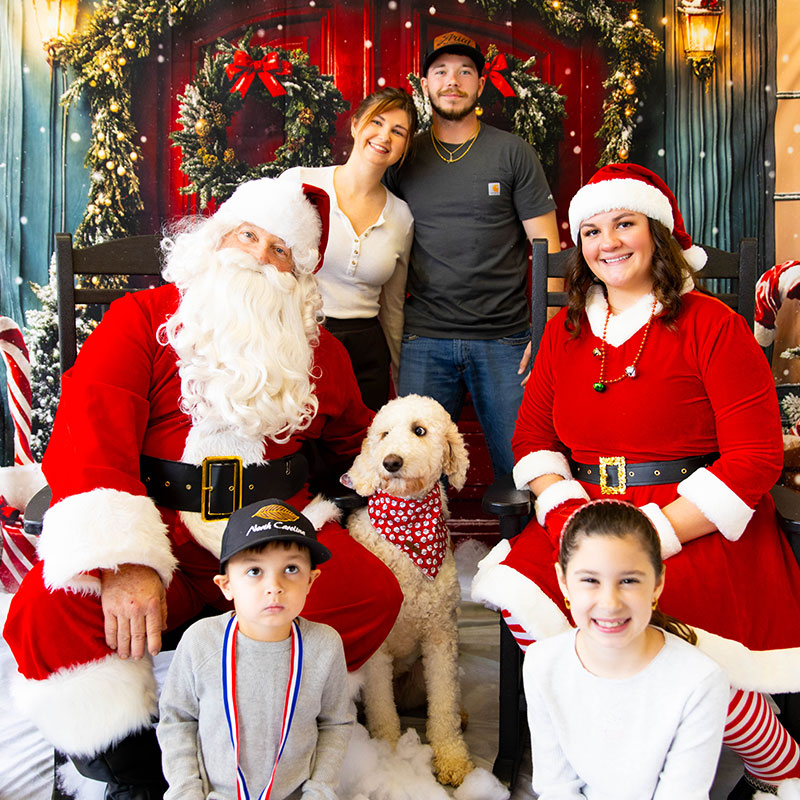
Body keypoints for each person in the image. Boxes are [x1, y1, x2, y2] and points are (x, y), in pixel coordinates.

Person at [3, 177, 402, 799]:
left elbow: (361, 442)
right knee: (47, 612)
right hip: (158, 537)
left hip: (271, 538)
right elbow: (92, 431)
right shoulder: (142, 318)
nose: (259, 257)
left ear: (298, 276)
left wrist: (393, 468)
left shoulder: (317, 351)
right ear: (216, 239)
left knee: (367, 594)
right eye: (248, 235)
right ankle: (136, 770)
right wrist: (125, 562)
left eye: (280, 250)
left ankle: (260, 734)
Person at [472, 162, 800, 797]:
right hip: (585, 512)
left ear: (657, 233)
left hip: (693, 519)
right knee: (527, 596)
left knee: (696, 648)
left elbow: (756, 457)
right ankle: (604, 754)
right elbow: (532, 441)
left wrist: (656, 534)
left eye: (625, 223)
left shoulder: (712, 324)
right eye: (592, 231)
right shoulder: (564, 333)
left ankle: (779, 768)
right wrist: (565, 512)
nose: (609, 242)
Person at [384, 31, 560, 477]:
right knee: (413, 478)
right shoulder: (403, 156)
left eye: (465, 72)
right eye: (441, 71)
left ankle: (523, 527)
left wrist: (546, 333)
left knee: (523, 469)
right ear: (425, 83)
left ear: (480, 84)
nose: (452, 81)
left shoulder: (513, 153)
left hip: (506, 341)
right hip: (424, 339)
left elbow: (548, 249)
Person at [526, 500, 729, 799]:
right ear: (563, 581)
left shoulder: (700, 681)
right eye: (590, 580)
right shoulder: (542, 664)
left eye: (629, 580)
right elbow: (556, 788)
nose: (610, 603)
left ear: (658, 583)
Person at [157, 498, 353, 800]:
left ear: (311, 581)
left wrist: (319, 792)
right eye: (254, 571)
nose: (274, 586)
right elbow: (177, 721)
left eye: (291, 568)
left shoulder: (325, 645)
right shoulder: (200, 641)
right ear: (226, 585)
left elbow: (335, 723)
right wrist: (186, 792)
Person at [279, 87, 417, 411]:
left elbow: (392, 307)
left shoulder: (402, 217)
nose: (385, 136)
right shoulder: (299, 184)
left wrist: (401, 381)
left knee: (361, 441)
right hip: (303, 339)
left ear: (405, 146)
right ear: (355, 125)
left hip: (367, 353)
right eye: (377, 122)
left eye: (398, 131)